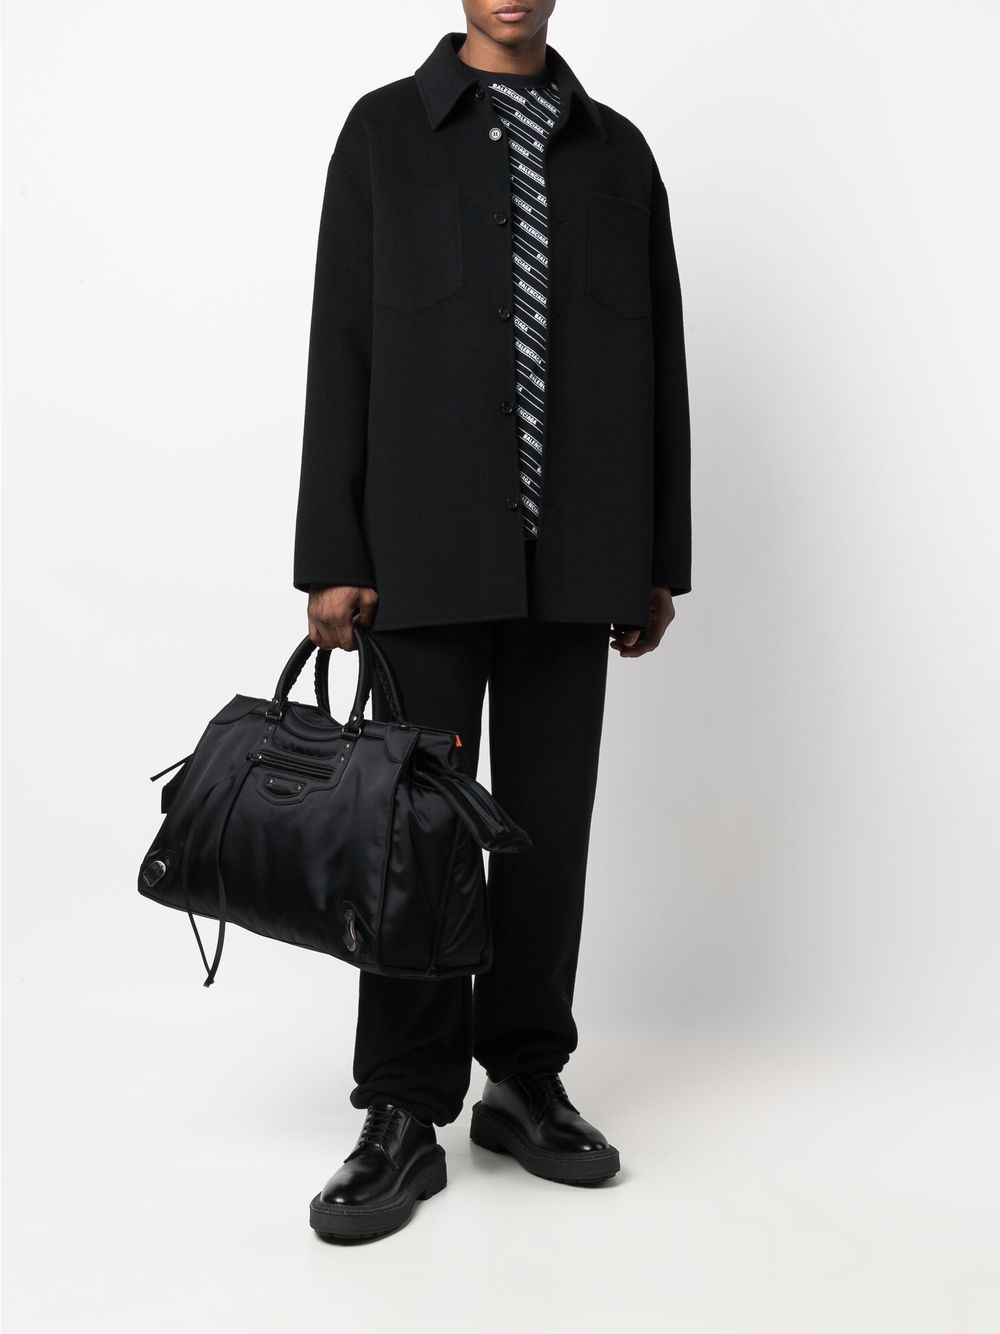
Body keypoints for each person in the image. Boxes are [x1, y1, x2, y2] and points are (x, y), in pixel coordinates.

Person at [294, 0, 691, 1243]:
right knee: (412, 837)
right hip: (420, 554)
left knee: (545, 829)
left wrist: (657, 557)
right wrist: (332, 551)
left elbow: (659, 357)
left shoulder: (616, 153)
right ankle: (402, 1106)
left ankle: (524, 1077)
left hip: (579, 552)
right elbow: (341, 340)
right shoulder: (382, 135)